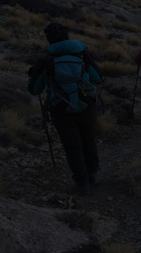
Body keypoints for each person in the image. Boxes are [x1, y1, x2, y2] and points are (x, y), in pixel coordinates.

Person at [28, 22, 103, 194]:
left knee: (72, 146)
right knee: (88, 138)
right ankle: (93, 174)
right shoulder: (82, 54)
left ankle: (81, 182)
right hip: (86, 106)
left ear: (49, 39)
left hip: (61, 110)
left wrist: (34, 73)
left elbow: (34, 89)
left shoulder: (48, 60)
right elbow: (98, 78)